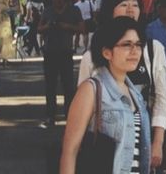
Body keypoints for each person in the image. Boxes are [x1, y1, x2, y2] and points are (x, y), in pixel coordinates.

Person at [77, 0, 166, 170]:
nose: (130, 10)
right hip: (104, 148)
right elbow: (81, 112)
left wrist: (157, 142)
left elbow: (161, 99)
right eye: (124, 5)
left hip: (143, 144)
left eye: (135, 5)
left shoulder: (153, 49)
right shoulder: (92, 56)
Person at [59, 17, 151, 174]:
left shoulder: (136, 94)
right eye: (127, 45)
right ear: (107, 52)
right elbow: (70, 150)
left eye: (138, 45)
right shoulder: (91, 90)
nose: (135, 51)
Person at [38, 0, 84, 128]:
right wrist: (48, 26)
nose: (57, 0)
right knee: (50, 86)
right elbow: (39, 29)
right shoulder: (48, 11)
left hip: (65, 53)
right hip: (50, 52)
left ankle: (69, 115)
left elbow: (82, 28)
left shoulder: (74, 11)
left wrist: (67, 26)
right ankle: (50, 116)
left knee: (68, 86)